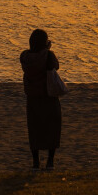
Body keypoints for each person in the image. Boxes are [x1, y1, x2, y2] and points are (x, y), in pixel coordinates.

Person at [20, 29, 61, 170]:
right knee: (52, 128)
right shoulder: (48, 56)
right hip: (48, 96)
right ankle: (50, 161)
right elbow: (55, 66)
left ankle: (35, 162)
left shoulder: (25, 57)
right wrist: (47, 50)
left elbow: (34, 62)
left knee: (35, 130)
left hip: (32, 99)